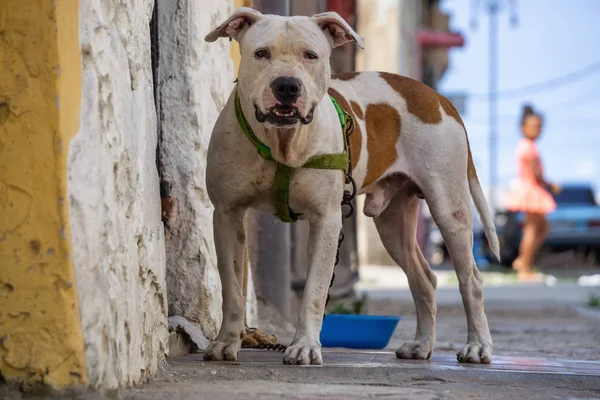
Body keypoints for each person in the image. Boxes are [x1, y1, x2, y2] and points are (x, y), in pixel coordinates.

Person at [505, 104, 560, 282]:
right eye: (533, 126)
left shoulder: (526, 146)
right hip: (531, 189)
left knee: (541, 228)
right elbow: (537, 173)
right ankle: (524, 268)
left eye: (539, 126)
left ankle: (523, 261)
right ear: (523, 128)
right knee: (532, 229)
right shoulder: (529, 147)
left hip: (530, 188)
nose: (537, 129)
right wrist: (551, 185)